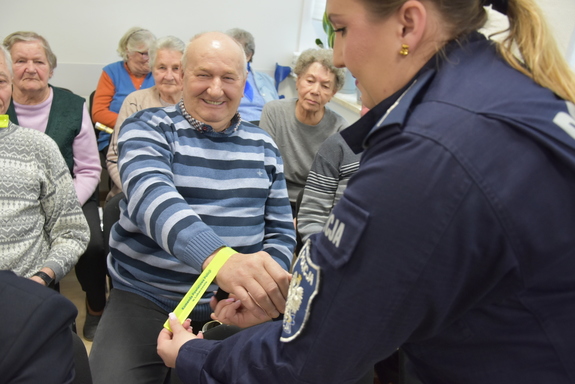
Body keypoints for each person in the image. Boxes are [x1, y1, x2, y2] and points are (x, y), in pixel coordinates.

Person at [157, 0, 575, 383]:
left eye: (340, 29)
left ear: (408, 24)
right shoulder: (504, 91)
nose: (338, 56)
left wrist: (197, 355)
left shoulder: (429, 151)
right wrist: (295, 309)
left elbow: (310, 360)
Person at [89, 31, 296, 384]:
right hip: (148, 297)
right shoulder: (148, 128)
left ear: (244, 83)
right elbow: (150, 197)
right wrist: (220, 260)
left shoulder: (263, 145)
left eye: (228, 78)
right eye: (204, 75)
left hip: (237, 308)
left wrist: (259, 294)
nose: (216, 90)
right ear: (183, 76)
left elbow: (280, 230)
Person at [3, 32, 105, 341]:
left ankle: (96, 305)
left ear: (51, 67)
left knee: (94, 245)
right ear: (9, 71)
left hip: (73, 190)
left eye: (39, 61)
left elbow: (89, 168)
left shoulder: (72, 105)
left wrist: (60, 203)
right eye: (21, 61)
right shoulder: (2, 106)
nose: (30, 68)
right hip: (21, 195)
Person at [0, 43, 89, 288]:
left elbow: (71, 231)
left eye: (0, 82)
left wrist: (43, 278)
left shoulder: (39, 147)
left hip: (28, 294)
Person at [102, 35, 185, 256]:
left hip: (185, 194)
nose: (168, 76)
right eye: (161, 68)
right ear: (152, 69)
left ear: (186, 70)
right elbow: (113, 156)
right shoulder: (135, 101)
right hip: (134, 193)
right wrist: (140, 191)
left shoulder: (195, 105)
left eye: (176, 68)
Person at [259, 47, 347, 213]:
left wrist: (304, 219)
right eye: (310, 81)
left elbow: (335, 188)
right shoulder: (274, 112)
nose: (315, 91)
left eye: (325, 86)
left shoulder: (340, 128)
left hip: (315, 207)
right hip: (273, 200)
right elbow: (264, 170)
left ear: (333, 93)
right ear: (298, 81)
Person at [91, 27, 156, 154]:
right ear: (128, 51)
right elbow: (98, 113)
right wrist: (133, 124)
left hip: (154, 137)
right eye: (144, 53)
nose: (150, 58)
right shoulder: (111, 72)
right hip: (115, 136)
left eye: (153, 53)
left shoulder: (160, 73)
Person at [225, 28, 279, 123]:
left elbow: (277, 109)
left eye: (236, 52)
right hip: (236, 126)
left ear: (248, 55)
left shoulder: (265, 79)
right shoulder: (220, 79)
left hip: (267, 126)